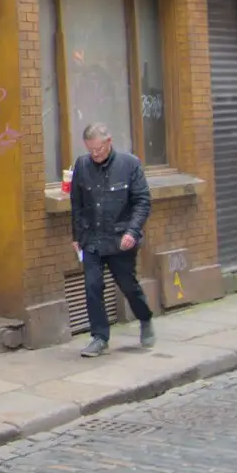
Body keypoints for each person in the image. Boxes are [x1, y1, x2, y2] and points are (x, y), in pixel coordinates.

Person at [70, 123, 155, 357]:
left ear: (109, 142)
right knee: (92, 286)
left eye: (98, 149)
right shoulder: (82, 165)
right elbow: (76, 203)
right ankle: (99, 337)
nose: (95, 155)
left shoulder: (129, 164)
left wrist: (132, 232)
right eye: (91, 150)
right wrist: (76, 235)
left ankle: (145, 317)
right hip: (92, 239)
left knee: (128, 285)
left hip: (120, 239)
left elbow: (142, 202)